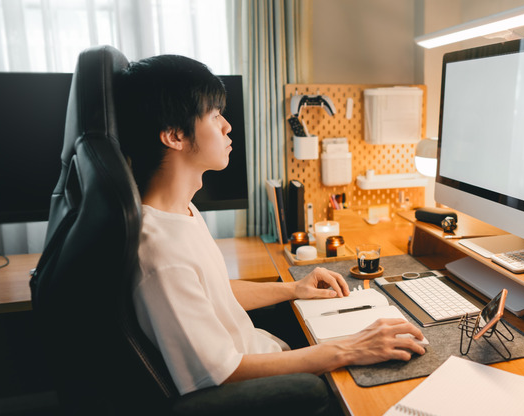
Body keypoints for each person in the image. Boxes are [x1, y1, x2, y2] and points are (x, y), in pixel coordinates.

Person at [114, 54, 425, 398]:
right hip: (266, 388)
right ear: (174, 135)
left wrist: (294, 289)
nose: (227, 126)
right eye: (215, 116)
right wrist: (349, 349)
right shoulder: (160, 253)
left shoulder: (180, 211)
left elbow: (212, 293)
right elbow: (224, 372)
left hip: (274, 355)